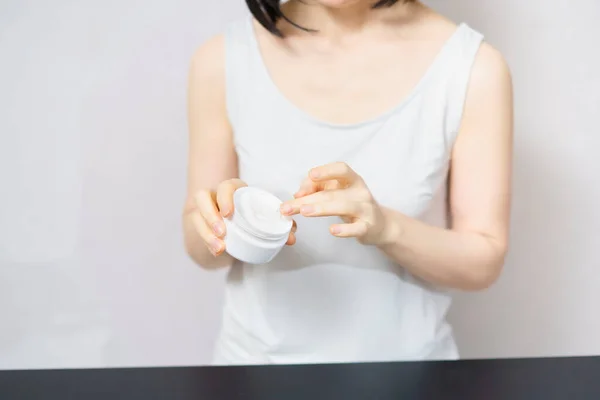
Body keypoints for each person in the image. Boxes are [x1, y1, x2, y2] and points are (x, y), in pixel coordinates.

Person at [183, 0, 513, 365]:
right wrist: (227, 224)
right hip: (253, 375)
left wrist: (386, 228)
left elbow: (484, 260)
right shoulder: (221, 59)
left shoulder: (473, 67)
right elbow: (199, 245)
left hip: (407, 377)